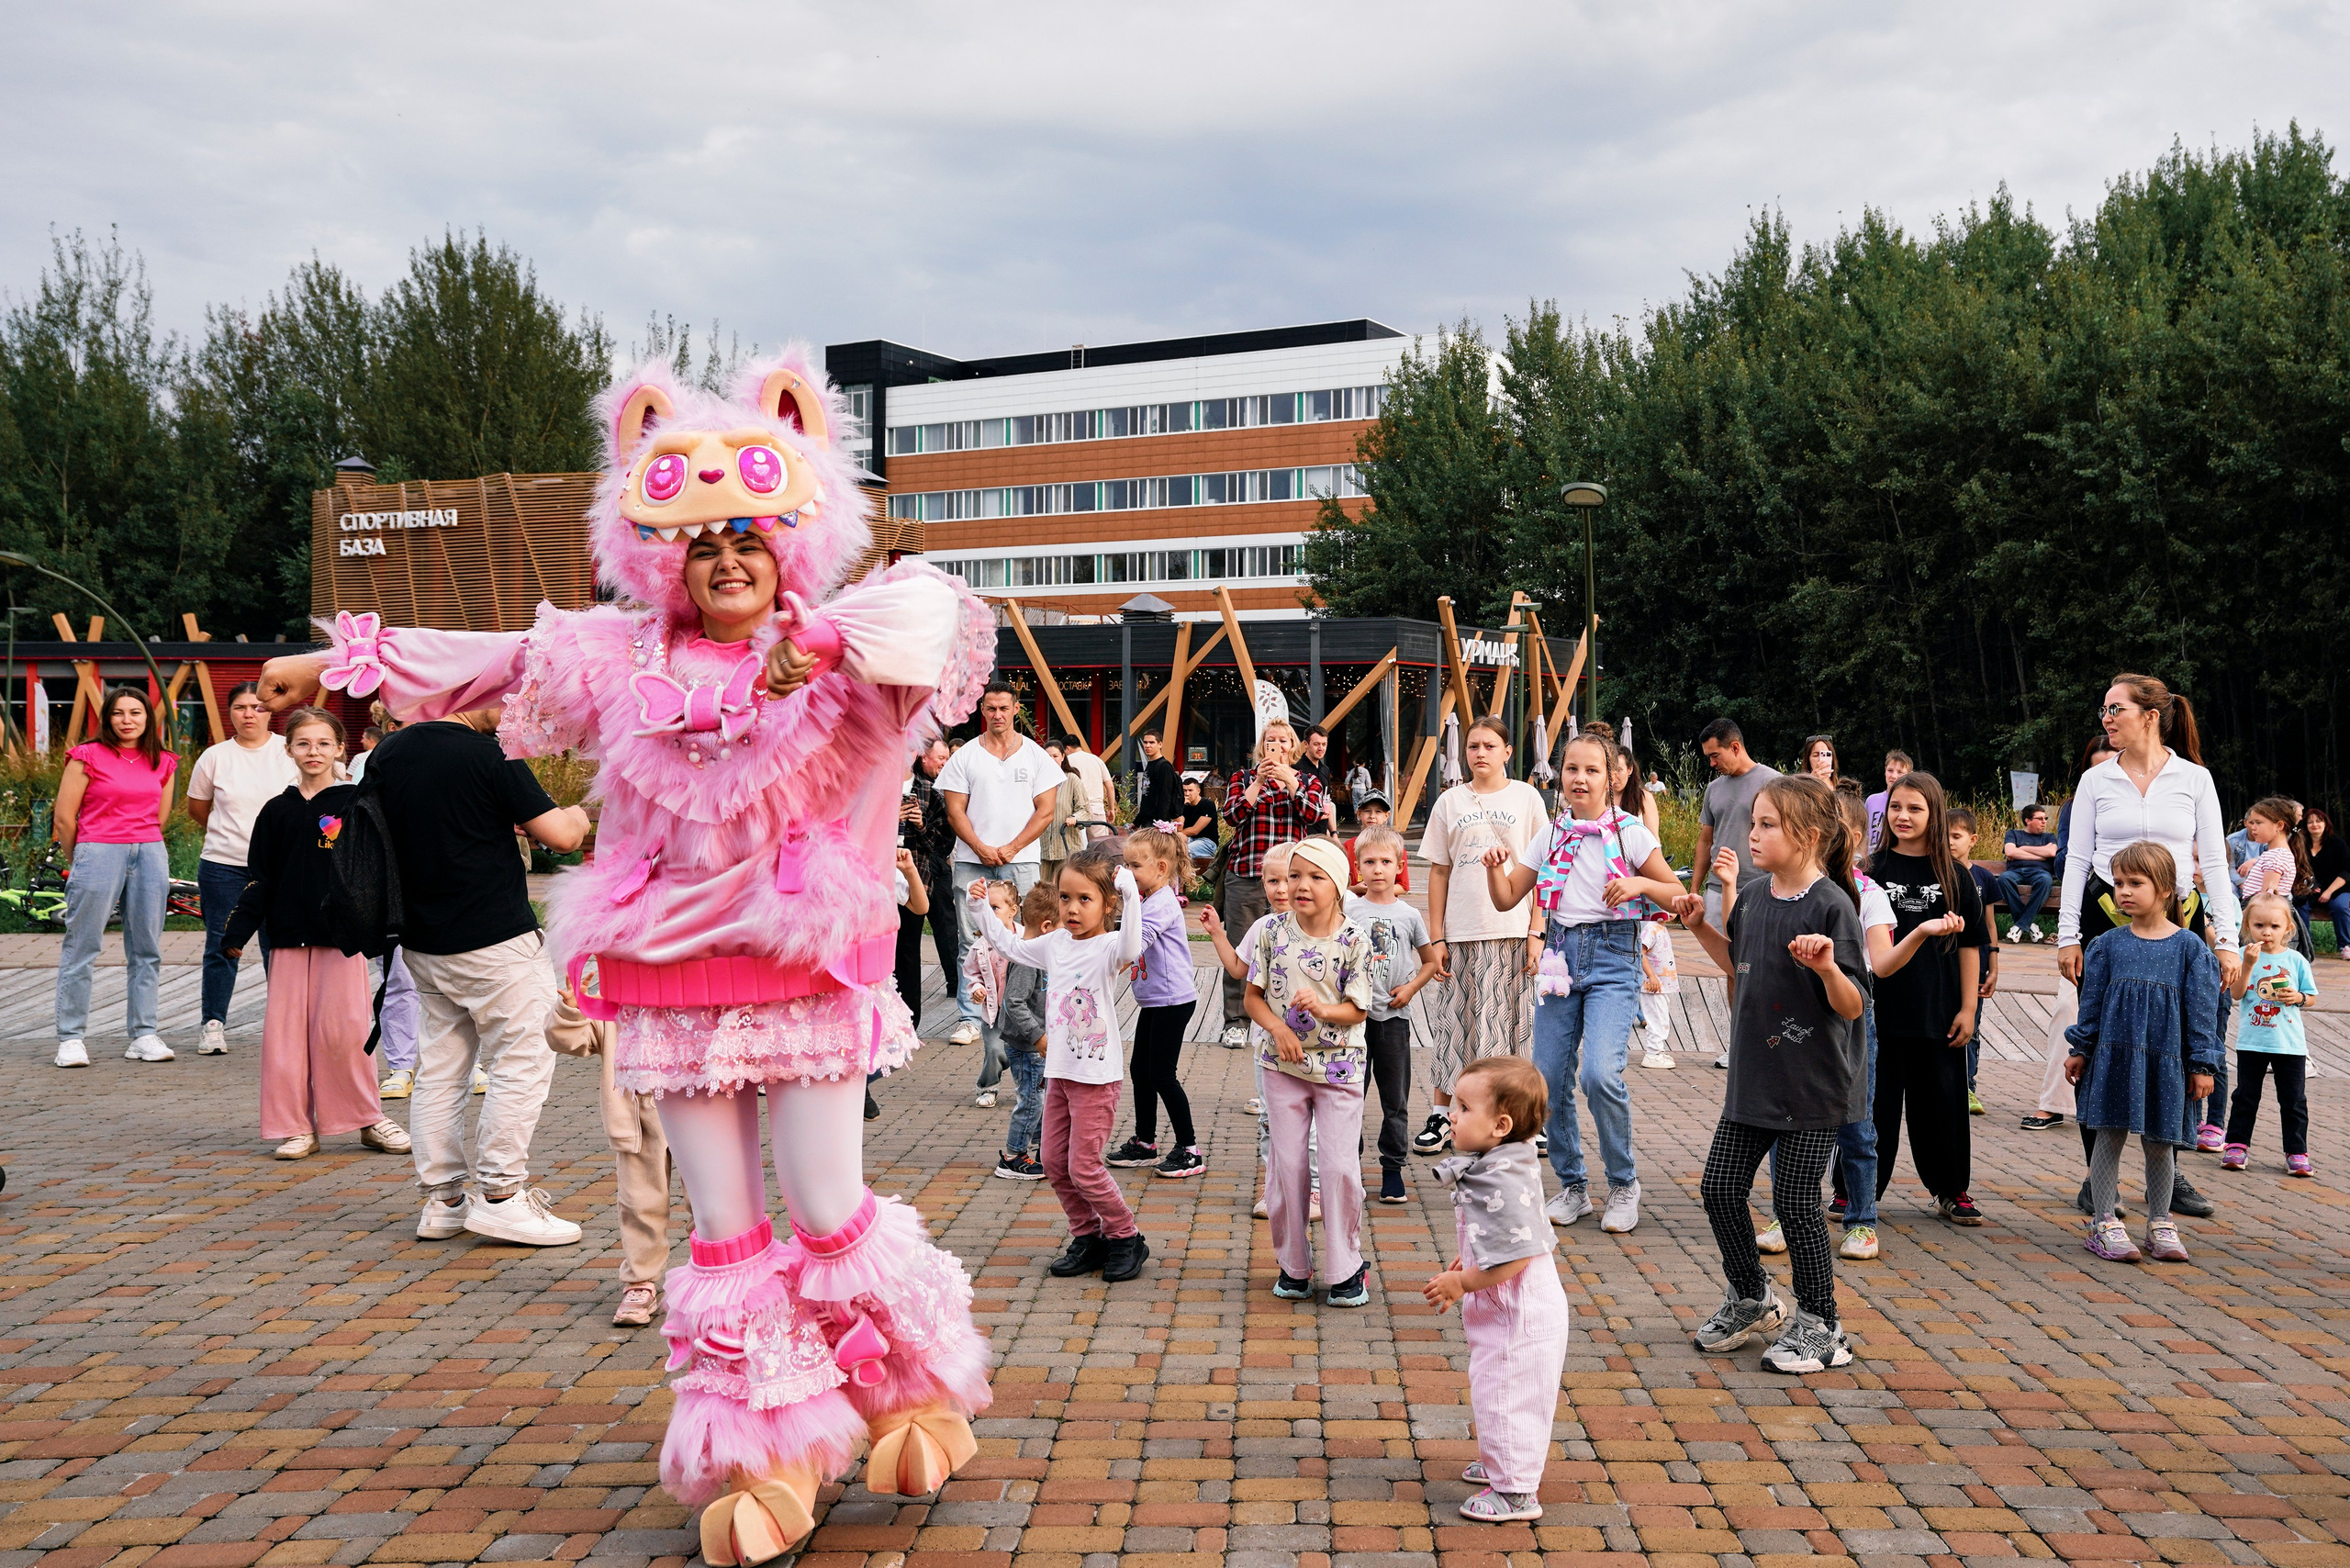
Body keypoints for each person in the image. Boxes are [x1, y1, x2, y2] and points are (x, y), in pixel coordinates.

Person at [259, 356, 1003, 1557]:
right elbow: (497, 658)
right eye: (702, 546)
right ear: (665, 559)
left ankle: (909, 1392)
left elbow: (935, 611)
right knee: (724, 1230)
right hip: (674, 976)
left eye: (749, 540)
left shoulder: (843, 651)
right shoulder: (623, 656)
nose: (726, 561)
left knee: (826, 1207)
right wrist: (346, 662)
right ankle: (767, 1449)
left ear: (790, 548)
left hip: (804, 967)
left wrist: (816, 643)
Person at [1678, 774, 1870, 1375]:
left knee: (1794, 1201)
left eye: (1766, 825)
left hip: (1813, 1085)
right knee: (1719, 1188)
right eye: (1753, 822)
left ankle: (1822, 1325)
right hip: (1754, 1078)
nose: (1752, 834)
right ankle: (1752, 1297)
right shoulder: (1755, 895)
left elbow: (1853, 1005)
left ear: (1807, 836)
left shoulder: (1832, 905)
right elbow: (1737, 963)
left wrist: (1826, 968)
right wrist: (1698, 926)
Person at [2044, 674, 2239, 1222]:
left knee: (2173, 1042)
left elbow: (2215, 862)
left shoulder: (2194, 778)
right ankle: (2098, 1177)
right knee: (2098, 1037)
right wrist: (2068, 936)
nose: (2106, 719)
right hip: (2105, 918)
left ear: (2151, 716)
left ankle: (2167, 1174)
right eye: (2104, 710)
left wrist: (2227, 940)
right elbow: (2075, 859)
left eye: (2116, 709)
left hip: (2177, 921)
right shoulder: (2096, 780)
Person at [1483, 728, 1682, 1234]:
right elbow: (1506, 898)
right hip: (1559, 959)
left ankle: (1623, 1183)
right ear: (1560, 776)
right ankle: (1573, 1186)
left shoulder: (1630, 832)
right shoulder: (1552, 834)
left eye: (1592, 770)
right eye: (1572, 768)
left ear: (1612, 778)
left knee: (1599, 1076)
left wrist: (1639, 882)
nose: (1580, 778)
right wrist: (1494, 868)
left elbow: (1675, 895)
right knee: (1547, 1079)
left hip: (1615, 957)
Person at [218, 706, 411, 1160]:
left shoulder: (355, 803)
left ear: (340, 748)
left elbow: (378, 869)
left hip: (341, 940)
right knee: (285, 1039)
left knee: (344, 1033)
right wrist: (237, 932)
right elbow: (260, 877)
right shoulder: (276, 811)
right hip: (286, 939)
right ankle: (296, 1128)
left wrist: (386, 923)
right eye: (303, 743)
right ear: (288, 749)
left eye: (324, 743)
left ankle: (367, 1119)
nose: (314, 751)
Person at [975, 846, 1149, 1281]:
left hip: (1096, 1077)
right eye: (1066, 897)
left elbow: (1132, 944)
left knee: (1084, 1167)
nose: (1072, 908)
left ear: (1107, 904)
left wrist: (1131, 895)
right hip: (1059, 1074)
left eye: (1084, 899)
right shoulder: (1055, 943)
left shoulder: (1109, 947)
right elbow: (1010, 945)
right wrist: (980, 909)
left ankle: (1126, 1236)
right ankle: (1088, 1236)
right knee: (1054, 1162)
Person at [1424, 1056, 1571, 1525]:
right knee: (1494, 1389)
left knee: (1508, 1396)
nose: (1452, 1115)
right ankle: (1500, 1461)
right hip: (1508, 1309)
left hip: (1518, 1316)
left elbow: (1515, 1257)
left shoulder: (1501, 1177)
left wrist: (1463, 1281)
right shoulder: (1502, 1159)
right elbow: (1497, 1237)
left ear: (1500, 1126)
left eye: (1465, 1108)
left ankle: (1515, 1490)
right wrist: (1469, 1259)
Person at [2064, 842, 2223, 1262]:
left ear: (2166, 888)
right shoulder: (2106, 945)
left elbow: (2202, 1013)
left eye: (2136, 883)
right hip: (2114, 1058)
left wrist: (2202, 1064)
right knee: (2108, 1135)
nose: (2124, 891)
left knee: (2161, 1142)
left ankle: (2160, 1223)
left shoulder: (2190, 948)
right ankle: (2103, 1222)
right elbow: (2091, 1004)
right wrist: (2081, 1048)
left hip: (2166, 1062)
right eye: (2118, 883)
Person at [1251, 837, 1376, 1308]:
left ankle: (1346, 1268)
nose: (1300, 886)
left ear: (1338, 885)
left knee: (1339, 1167)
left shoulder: (1355, 940)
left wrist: (1322, 1009)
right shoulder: (1271, 930)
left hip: (1340, 1068)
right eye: (1294, 875)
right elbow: (1253, 998)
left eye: (1315, 877)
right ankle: (1294, 1265)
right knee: (1287, 1166)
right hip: (1281, 1066)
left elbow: (1358, 1010)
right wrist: (1277, 1028)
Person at [1413, 718, 1547, 1152]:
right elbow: (1439, 872)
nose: (1480, 753)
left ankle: (1521, 1119)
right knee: (1456, 1026)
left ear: (1508, 751)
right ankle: (1444, 1115)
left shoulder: (1527, 798)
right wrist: (1436, 938)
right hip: (1463, 930)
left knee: (1513, 1027)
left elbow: (1545, 871)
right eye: (1473, 746)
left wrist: (1537, 930)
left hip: (1513, 930)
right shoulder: (1450, 801)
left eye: (1490, 745)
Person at [1868, 771, 1988, 1225]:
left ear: (1934, 814)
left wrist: (1968, 1008)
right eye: (1896, 807)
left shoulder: (1955, 876)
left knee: (1942, 1105)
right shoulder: (1871, 871)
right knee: (1874, 1107)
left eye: (1915, 808)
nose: (1903, 816)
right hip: (1878, 1012)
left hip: (1938, 1012)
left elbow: (1971, 945)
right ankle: (1856, 1189)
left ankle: (1952, 1189)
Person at [52, 688, 177, 1069]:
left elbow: (160, 817)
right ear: (107, 717)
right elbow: (64, 818)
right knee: (83, 945)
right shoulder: (86, 756)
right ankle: (71, 1038)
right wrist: (82, 859)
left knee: (147, 949)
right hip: (98, 850)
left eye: (136, 712)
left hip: (149, 853)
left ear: (148, 718)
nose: (127, 720)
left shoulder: (164, 761)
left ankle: (143, 1034)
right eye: (118, 713)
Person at [939, 682, 1062, 1046]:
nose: (997, 715)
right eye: (991, 708)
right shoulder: (965, 756)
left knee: (1029, 937)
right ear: (983, 711)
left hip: (1020, 860)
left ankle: (1030, 1016)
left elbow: (1046, 811)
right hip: (971, 860)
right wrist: (979, 846)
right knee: (970, 939)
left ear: (1015, 709)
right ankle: (969, 1019)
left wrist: (1013, 847)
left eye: (1004, 708)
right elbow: (954, 811)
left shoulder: (1036, 756)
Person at [545, 983, 674, 1326]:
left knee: (709, 1202)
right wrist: (572, 1008)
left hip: (701, 1111)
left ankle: (716, 1274)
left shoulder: (697, 988)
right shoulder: (612, 999)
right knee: (639, 1204)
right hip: (639, 1119)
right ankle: (641, 1281)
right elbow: (568, 1040)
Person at [1203, 842, 1317, 1215]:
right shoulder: (1262, 927)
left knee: (1313, 1123)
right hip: (1268, 1043)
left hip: (1315, 1044)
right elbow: (1239, 969)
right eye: (1272, 881)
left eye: (1289, 879)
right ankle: (1276, 1188)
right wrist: (1217, 934)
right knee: (1270, 1118)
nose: (1281, 889)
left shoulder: (1320, 926)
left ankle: (1315, 1189)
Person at [185, 680, 298, 1057]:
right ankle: (213, 1024)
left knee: (278, 947)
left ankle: (285, 1027)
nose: (249, 714)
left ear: (270, 712)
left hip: (279, 867)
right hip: (224, 865)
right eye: (240, 707)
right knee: (222, 943)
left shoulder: (288, 752)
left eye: (257, 707)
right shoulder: (215, 757)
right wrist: (230, 835)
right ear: (230, 712)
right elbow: (198, 808)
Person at [1218, 720, 1328, 1047]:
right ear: (1261, 745)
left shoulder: (1307, 780)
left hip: (1292, 880)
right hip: (1247, 874)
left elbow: (1313, 815)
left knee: (1293, 948)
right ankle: (1236, 1022)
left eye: (1283, 740)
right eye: (1271, 740)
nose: (1277, 745)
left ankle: (1288, 1018)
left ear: (1293, 747)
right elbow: (1231, 816)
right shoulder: (1243, 778)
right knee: (1241, 948)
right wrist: (1259, 782)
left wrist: (1289, 781)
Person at [1347, 825, 1438, 1204]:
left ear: (1400, 866)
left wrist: (1411, 988)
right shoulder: (1348, 910)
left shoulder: (1409, 915)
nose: (1378, 869)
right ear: (1358, 867)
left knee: (1395, 1099)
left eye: (1386, 862)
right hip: (1353, 1020)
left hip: (1394, 1021)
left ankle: (1392, 1168)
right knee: (1349, 1095)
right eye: (1369, 862)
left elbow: (1431, 962)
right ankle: (1348, 1166)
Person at [1106, 826, 1204, 1178]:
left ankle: (1190, 1150)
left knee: (1162, 1074)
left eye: (1135, 866)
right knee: (1140, 1070)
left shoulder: (1161, 903)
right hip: (1155, 1001)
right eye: (1126, 864)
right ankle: (1145, 1142)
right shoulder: (1148, 900)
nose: (1128, 872)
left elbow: (1136, 943)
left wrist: (1107, 965)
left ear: (1161, 868)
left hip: (1172, 1001)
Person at [1690, 719, 1781, 1069]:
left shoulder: (1773, 782)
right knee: (1733, 966)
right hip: (1718, 890)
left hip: (1763, 887)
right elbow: (1705, 841)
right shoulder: (1714, 789)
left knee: (1770, 966)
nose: (1712, 763)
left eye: (1715, 755)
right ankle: (1739, 1043)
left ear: (1735, 747)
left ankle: (1772, 1041)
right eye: (1708, 757)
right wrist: (1695, 887)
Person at [2221, 893, 2316, 1176]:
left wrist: (2297, 997)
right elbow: (2237, 994)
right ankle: (2236, 1145)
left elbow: (2311, 997)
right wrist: (2249, 964)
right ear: (2247, 926)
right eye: (2259, 925)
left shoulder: (2296, 960)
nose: (2266, 932)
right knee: (2245, 1096)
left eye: (2274, 926)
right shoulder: (2242, 956)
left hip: (2289, 1044)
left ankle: (2296, 1151)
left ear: (2288, 928)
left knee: (2293, 1100)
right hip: (2252, 1041)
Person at [992, 880, 1055, 1181]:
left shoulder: (1040, 956)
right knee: (1030, 1100)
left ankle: (1044, 1148)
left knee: (1041, 1098)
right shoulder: (1029, 959)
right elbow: (1013, 1002)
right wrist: (1037, 1035)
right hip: (1027, 1047)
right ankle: (1013, 1156)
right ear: (1046, 927)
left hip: (1036, 1045)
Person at [904, 734, 966, 1033]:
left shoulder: (930, 792)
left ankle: (910, 1023)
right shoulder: (878, 788)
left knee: (912, 948)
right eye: (940, 758)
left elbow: (941, 844)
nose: (944, 764)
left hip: (920, 878)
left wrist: (920, 824)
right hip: (879, 883)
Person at [1947, 807, 2000, 1116]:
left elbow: (1990, 924)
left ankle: (1967, 1086)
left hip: (1976, 964)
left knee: (1972, 1026)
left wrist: (1994, 964)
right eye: (1945, 835)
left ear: (1973, 839)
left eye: (1956, 836)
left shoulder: (1983, 878)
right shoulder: (1935, 873)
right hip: (1945, 963)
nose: (1949, 842)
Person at [960, 880, 1015, 1109]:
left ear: (1013, 910)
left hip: (1022, 1011)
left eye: (995, 908)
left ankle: (1031, 1089)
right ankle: (988, 1087)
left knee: (1030, 1054)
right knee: (994, 1050)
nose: (990, 914)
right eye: (986, 908)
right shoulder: (979, 947)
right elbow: (971, 974)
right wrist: (976, 989)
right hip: (994, 1012)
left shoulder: (1024, 939)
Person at [1998, 803, 2059, 943]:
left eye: (2045, 818)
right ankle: (2029, 925)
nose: (2044, 822)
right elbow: (2010, 851)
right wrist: (2040, 857)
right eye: (2040, 818)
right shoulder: (2013, 834)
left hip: (2039, 873)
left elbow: (2051, 852)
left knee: (2046, 881)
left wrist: (2023, 848)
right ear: (2028, 820)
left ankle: (2019, 926)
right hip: (2015, 872)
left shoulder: (2049, 837)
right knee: (2003, 879)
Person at [2238, 796, 2311, 903]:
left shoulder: (2276, 856)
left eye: (2258, 822)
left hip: (2261, 909)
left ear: (2279, 825)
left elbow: (2266, 900)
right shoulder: (2277, 853)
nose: (2253, 827)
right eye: (2252, 823)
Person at [2303, 807, 2350, 960]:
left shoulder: (2338, 843)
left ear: (2325, 823)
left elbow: (2346, 872)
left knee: (2340, 906)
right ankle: (2305, 946)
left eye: (2318, 821)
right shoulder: (2301, 844)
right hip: (2310, 888)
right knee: (2298, 906)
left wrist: (2328, 891)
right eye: (2310, 822)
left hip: (2337, 888)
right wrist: (2309, 887)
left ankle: (2345, 946)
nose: (2314, 824)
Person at [1343, 793, 1409, 892]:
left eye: (1378, 812)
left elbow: (1404, 887)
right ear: (1359, 814)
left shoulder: (1396, 847)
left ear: (1386, 815)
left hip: (1386, 901)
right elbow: (1339, 885)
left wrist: (1377, 889)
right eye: (1367, 811)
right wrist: (1355, 889)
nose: (1372, 816)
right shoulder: (1348, 846)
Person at [1038, 744, 1082, 888]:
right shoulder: (1038, 780)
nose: (1051, 759)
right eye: (1048, 756)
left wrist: (1074, 818)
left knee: (1064, 887)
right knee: (1042, 888)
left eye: (1055, 756)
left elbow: (1084, 808)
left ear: (1063, 756)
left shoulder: (1072, 779)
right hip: (1043, 845)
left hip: (1065, 842)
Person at [1065, 742, 1115, 841]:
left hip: (1075, 811)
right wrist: (1111, 809)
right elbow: (1110, 787)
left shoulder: (1067, 761)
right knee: (1100, 845)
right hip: (1096, 809)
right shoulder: (1097, 760)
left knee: (1077, 846)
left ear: (1068, 748)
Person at [1863, 750, 1912, 852]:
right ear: (1885, 771)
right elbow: (1864, 834)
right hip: (1872, 857)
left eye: (1900, 772)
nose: (1893, 776)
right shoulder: (1872, 800)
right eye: (1890, 770)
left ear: (1909, 775)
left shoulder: (1911, 804)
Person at [1298, 723, 1342, 834]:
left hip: (1322, 832)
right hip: (1303, 832)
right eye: (1316, 744)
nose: (1321, 748)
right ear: (1306, 744)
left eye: (1324, 744)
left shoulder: (1325, 770)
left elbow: (1327, 800)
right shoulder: (1295, 767)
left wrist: (1334, 832)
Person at [1136, 730, 1183, 826]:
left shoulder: (1164, 766)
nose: (1147, 746)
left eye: (1152, 742)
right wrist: (1137, 821)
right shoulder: (1150, 764)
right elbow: (1147, 797)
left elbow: (1165, 797)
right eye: (1145, 742)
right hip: (1147, 820)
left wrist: (1161, 824)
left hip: (1157, 823)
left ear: (1160, 744)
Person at [1181, 777, 1222, 868]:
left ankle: (1186, 875)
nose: (1187, 794)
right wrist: (1181, 808)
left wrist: (1178, 834)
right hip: (1190, 839)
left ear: (1198, 791)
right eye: (1184, 791)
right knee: (1170, 848)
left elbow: (1195, 830)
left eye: (1190, 790)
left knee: (1182, 850)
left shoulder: (1208, 805)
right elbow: (1179, 827)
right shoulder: (1184, 806)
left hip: (1207, 842)